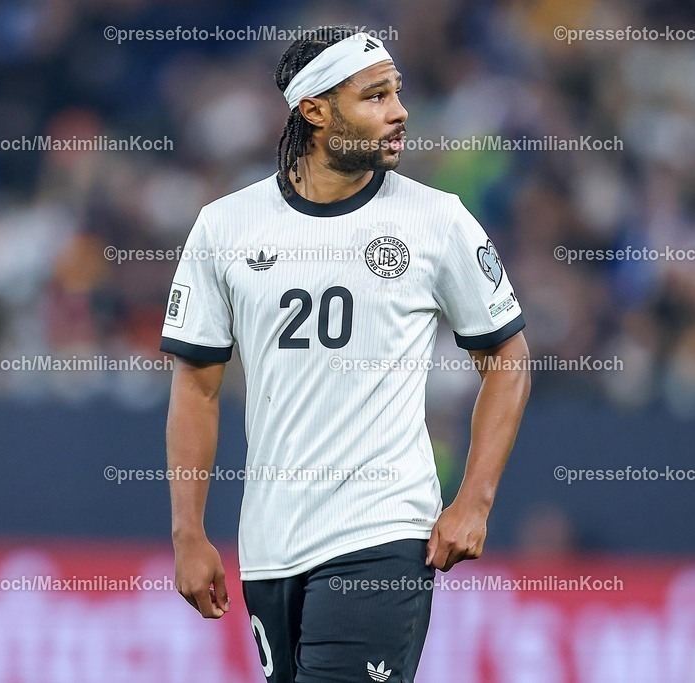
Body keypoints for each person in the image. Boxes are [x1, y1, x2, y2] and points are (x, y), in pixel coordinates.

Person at [161, 25, 530, 683]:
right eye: (375, 96)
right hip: (270, 544)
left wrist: (474, 500)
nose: (400, 111)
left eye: (397, 93)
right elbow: (197, 385)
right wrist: (188, 532)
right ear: (315, 111)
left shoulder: (436, 220)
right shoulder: (225, 226)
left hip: (380, 532)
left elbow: (508, 357)